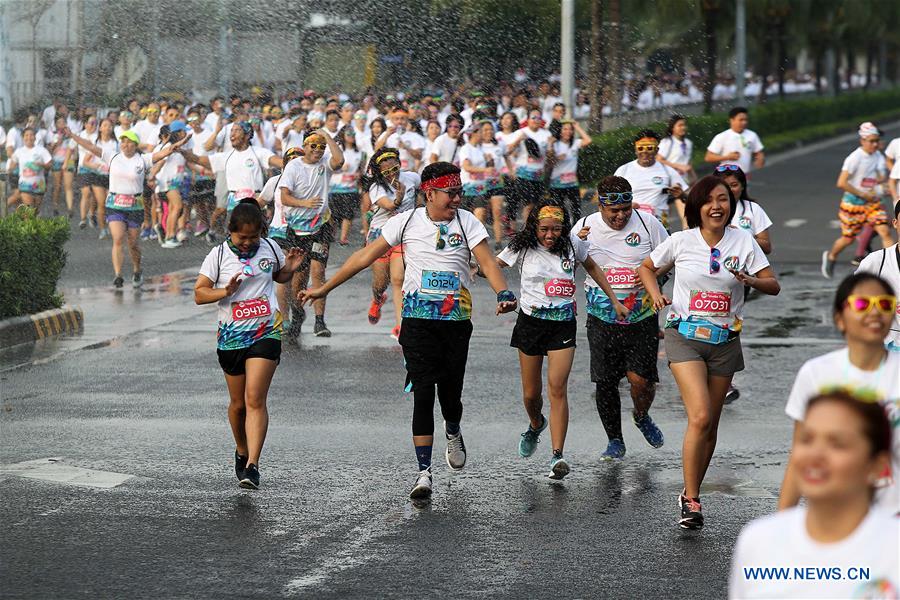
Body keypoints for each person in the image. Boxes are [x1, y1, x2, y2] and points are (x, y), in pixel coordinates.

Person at [299, 162, 518, 500]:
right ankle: (423, 473)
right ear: (429, 193)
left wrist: (502, 292)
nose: (458, 198)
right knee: (423, 393)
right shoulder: (406, 222)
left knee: (450, 396)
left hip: (456, 321)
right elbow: (363, 257)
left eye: (460, 192)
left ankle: (454, 428)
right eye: (451, 192)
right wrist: (324, 288)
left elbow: (487, 262)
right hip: (416, 323)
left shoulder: (468, 222)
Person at [639, 175, 781, 530]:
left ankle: (693, 491)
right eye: (709, 200)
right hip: (684, 336)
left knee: (711, 424)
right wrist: (655, 292)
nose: (717, 206)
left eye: (723, 199)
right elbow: (646, 267)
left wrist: (749, 280)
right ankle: (690, 499)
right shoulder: (681, 241)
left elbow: (773, 284)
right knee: (700, 416)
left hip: (725, 341)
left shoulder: (744, 241)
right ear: (696, 207)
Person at [497, 201, 628, 479]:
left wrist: (614, 300)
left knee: (557, 388)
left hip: (562, 325)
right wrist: (476, 272)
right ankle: (535, 424)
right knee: (531, 395)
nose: (550, 235)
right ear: (534, 227)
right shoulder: (523, 245)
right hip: (530, 324)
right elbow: (492, 264)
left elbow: (593, 269)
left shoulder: (572, 245)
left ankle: (558, 455)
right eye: (544, 229)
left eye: (556, 229)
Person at [729, 390, 897, 599]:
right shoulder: (758, 540)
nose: (815, 455)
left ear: (878, 465)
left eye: (838, 444)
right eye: (807, 439)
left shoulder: (893, 548)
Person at [194, 199, 305, 489]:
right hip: (231, 337)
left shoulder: (269, 248)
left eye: (253, 237)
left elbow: (278, 275)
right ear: (230, 231)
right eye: (241, 237)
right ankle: (241, 450)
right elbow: (199, 294)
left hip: (266, 331)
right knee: (237, 404)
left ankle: (253, 465)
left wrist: (289, 269)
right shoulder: (218, 256)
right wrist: (224, 291)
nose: (247, 243)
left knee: (255, 398)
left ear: (261, 232)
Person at [778, 273, 900, 514]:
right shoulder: (816, 373)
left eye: (884, 304)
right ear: (839, 318)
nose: (875, 312)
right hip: (836, 519)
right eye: (863, 304)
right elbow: (799, 456)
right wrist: (782, 528)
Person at [573, 176, 669, 460]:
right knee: (605, 381)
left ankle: (641, 415)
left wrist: (652, 279)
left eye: (625, 209)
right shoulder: (584, 228)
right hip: (602, 318)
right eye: (613, 211)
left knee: (642, 381)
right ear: (600, 205)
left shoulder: (648, 223)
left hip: (642, 317)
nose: (620, 216)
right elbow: (566, 262)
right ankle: (615, 440)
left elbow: (669, 258)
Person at [68, 128, 186, 288]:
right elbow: (90, 146)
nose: (125, 144)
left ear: (135, 144)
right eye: (123, 141)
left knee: (133, 243)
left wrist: (174, 147)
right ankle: (118, 275)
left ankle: (137, 269)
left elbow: (161, 154)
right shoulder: (113, 156)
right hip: (115, 205)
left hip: (135, 207)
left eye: (129, 142)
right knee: (117, 239)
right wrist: (72, 135)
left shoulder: (143, 159)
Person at [274, 130, 344, 338]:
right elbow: (285, 198)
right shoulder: (294, 166)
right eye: (313, 145)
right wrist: (304, 203)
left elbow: (339, 161)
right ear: (305, 146)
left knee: (318, 272)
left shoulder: (324, 165)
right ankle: (297, 311)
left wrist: (327, 136)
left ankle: (319, 321)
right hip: (296, 229)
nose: (318, 150)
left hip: (320, 227)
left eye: (321, 147)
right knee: (298, 280)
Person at [821, 122, 894, 279]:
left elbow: (881, 177)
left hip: (872, 203)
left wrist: (883, 186)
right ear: (862, 140)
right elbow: (841, 182)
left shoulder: (878, 156)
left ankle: (891, 266)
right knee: (848, 239)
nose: (875, 144)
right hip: (852, 204)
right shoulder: (854, 158)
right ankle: (831, 256)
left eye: (877, 141)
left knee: (884, 230)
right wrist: (862, 193)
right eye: (871, 141)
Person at [364, 147, 420, 340]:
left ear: (400, 164)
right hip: (380, 235)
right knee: (381, 283)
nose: (392, 174)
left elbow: (427, 190)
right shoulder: (376, 187)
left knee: (398, 279)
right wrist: (399, 196)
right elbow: (389, 206)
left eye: (395, 169)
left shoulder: (412, 177)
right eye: (386, 172)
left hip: (404, 234)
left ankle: (400, 326)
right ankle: (378, 298)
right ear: (379, 173)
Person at [614, 129, 687, 230]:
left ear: (657, 150)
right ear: (635, 150)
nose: (645, 152)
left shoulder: (667, 171)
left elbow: (689, 199)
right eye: (640, 148)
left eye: (649, 148)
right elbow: (611, 199)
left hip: (660, 227)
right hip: (631, 227)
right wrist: (627, 206)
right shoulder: (623, 170)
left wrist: (682, 195)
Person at [505, 108, 551, 230]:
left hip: (539, 176)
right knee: (529, 204)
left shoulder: (546, 134)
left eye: (538, 117)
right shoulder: (520, 132)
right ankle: (527, 230)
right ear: (528, 119)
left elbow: (550, 155)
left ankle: (532, 229)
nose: (536, 120)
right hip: (523, 175)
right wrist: (519, 139)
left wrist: (551, 147)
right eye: (533, 117)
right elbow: (508, 151)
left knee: (536, 206)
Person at [546, 119, 592, 221]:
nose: (568, 131)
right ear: (560, 131)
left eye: (570, 129)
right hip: (557, 183)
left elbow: (588, 140)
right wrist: (556, 157)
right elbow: (549, 162)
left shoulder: (575, 143)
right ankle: (562, 232)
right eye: (565, 129)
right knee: (558, 210)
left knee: (576, 210)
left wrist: (577, 126)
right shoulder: (555, 143)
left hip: (572, 183)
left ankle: (575, 231)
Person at [704, 106, 765, 174]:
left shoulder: (752, 135)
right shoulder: (722, 136)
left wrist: (760, 158)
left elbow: (758, 152)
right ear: (732, 120)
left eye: (746, 120)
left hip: (744, 175)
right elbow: (708, 157)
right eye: (741, 120)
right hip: (726, 176)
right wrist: (727, 157)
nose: (744, 122)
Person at [329, 126, 363, 246]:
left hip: (351, 187)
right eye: (349, 133)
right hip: (335, 187)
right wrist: (339, 167)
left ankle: (343, 238)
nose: (351, 135)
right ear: (343, 135)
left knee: (348, 213)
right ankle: (331, 234)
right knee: (333, 214)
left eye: (353, 133)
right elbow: (329, 166)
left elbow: (360, 167)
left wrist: (359, 174)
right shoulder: (337, 150)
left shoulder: (358, 151)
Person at [8, 127, 52, 209]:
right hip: (24, 185)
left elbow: (50, 165)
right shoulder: (19, 151)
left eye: (31, 135)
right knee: (29, 211)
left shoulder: (42, 150)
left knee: (35, 211)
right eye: (26, 135)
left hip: (39, 185)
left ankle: (23, 221)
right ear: (23, 137)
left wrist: (42, 165)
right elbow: (11, 168)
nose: (29, 137)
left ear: (35, 137)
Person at [656, 114, 695, 185]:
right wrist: (679, 166)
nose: (683, 127)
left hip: (684, 181)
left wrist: (693, 177)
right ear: (672, 128)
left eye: (684, 125)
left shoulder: (688, 143)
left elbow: (688, 162)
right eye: (680, 125)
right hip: (669, 181)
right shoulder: (667, 142)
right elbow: (658, 160)